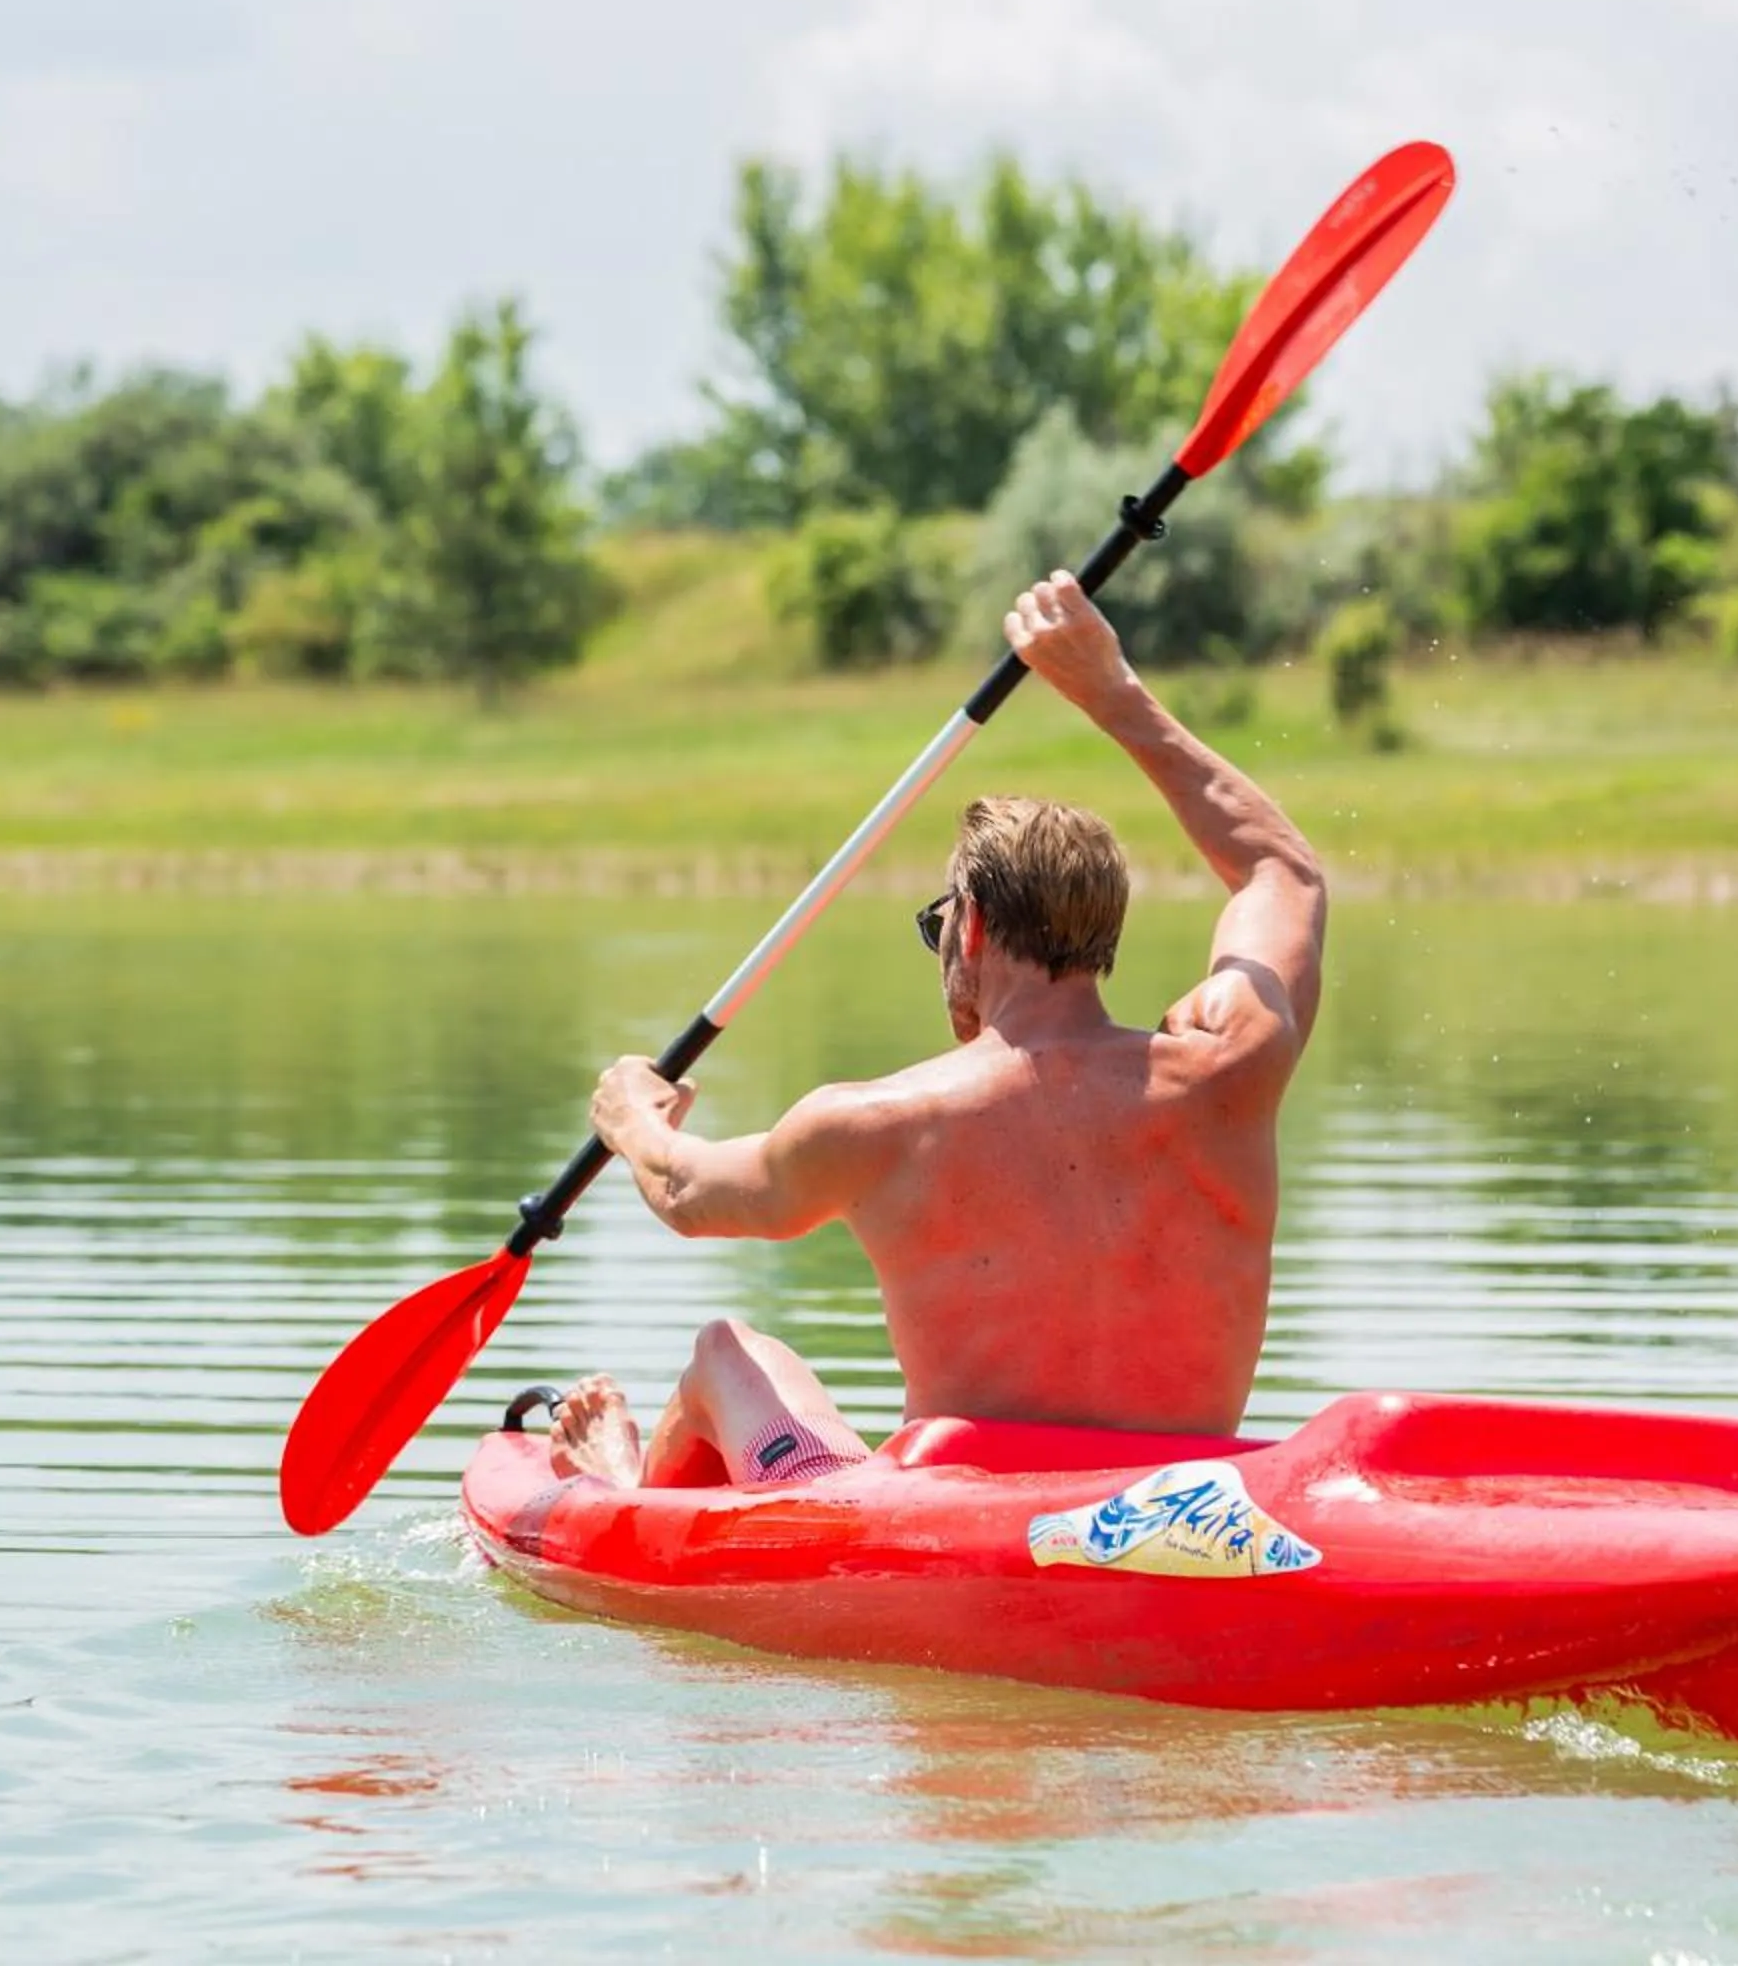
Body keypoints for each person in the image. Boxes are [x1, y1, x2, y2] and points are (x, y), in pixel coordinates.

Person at [545, 568, 1327, 1489]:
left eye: (940, 925)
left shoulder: (876, 1123)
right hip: (1178, 1511)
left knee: (727, 1349)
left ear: (978, 926)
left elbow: (687, 1194)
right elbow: (1281, 871)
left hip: (953, 1540)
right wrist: (1109, 691)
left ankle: (623, 1503)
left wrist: (634, 1116)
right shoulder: (1230, 1065)